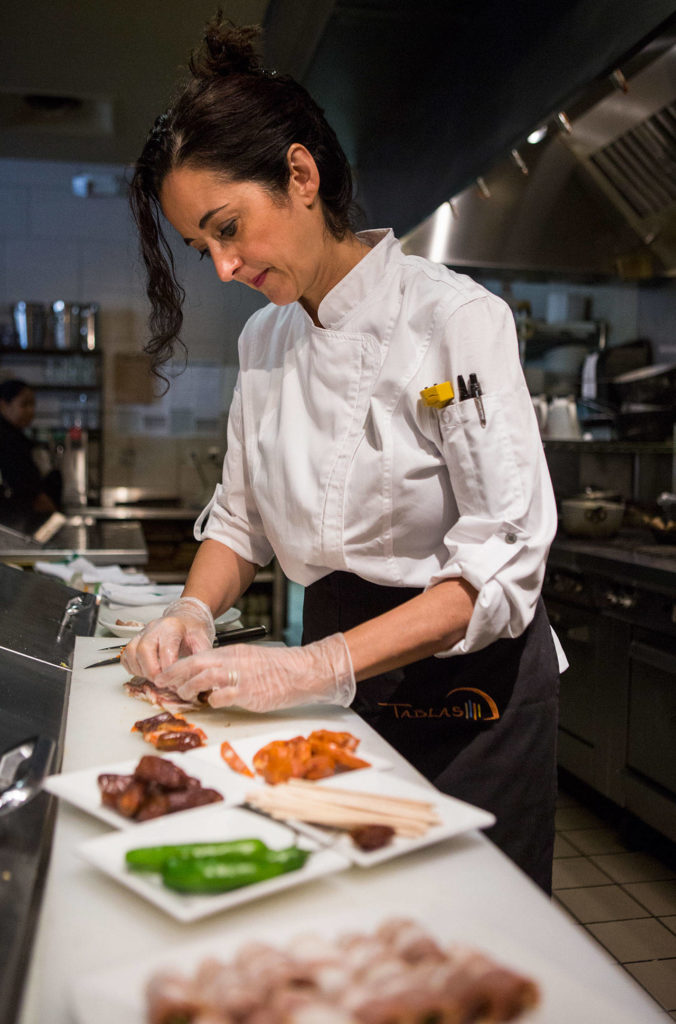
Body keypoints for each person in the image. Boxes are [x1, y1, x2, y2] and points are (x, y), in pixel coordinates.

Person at [123, 16, 564, 892]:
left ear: (300, 174)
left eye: (228, 227)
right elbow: (240, 520)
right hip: (332, 686)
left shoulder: (453, 320)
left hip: (465, 690)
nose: (222, 265)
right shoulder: (265, 343)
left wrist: (321, 662)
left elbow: (501, 565)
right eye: (202, 244)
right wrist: (189, 611)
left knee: (471, 929)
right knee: (350, 920)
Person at [0, 378, 61, 517]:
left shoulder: (18, 437)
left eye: (33, 405)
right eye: (24, 404)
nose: (31, 411)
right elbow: (23, 484)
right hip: (12, 520)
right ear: (3, 405)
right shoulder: (8, 439)